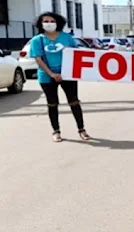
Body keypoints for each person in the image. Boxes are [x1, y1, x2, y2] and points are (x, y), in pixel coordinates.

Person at [29, 12, 90, 142]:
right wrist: (52, 74)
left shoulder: (67, 37)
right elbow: (38, 59)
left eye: (52, 21)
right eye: (46, 21)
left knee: (74, 102)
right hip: (46, 76)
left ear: (58, 22)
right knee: (52, 103)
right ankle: (56, 131)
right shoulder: (37, 40)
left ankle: (82, 129)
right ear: (40, 24)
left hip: (67, 75)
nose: (49, 24)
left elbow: (76, 55)